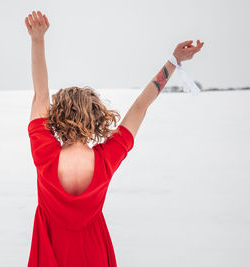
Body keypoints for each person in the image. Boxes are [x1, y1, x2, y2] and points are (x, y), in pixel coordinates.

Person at [24, 10, 204, 267]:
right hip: (94, 254)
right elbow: (141, 106)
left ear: (57, 117)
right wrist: (173, 61)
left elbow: (40, 95)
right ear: (95, 118)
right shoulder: (107, 157)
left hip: (50, 253)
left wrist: (37, 40)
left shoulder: (44, 152)